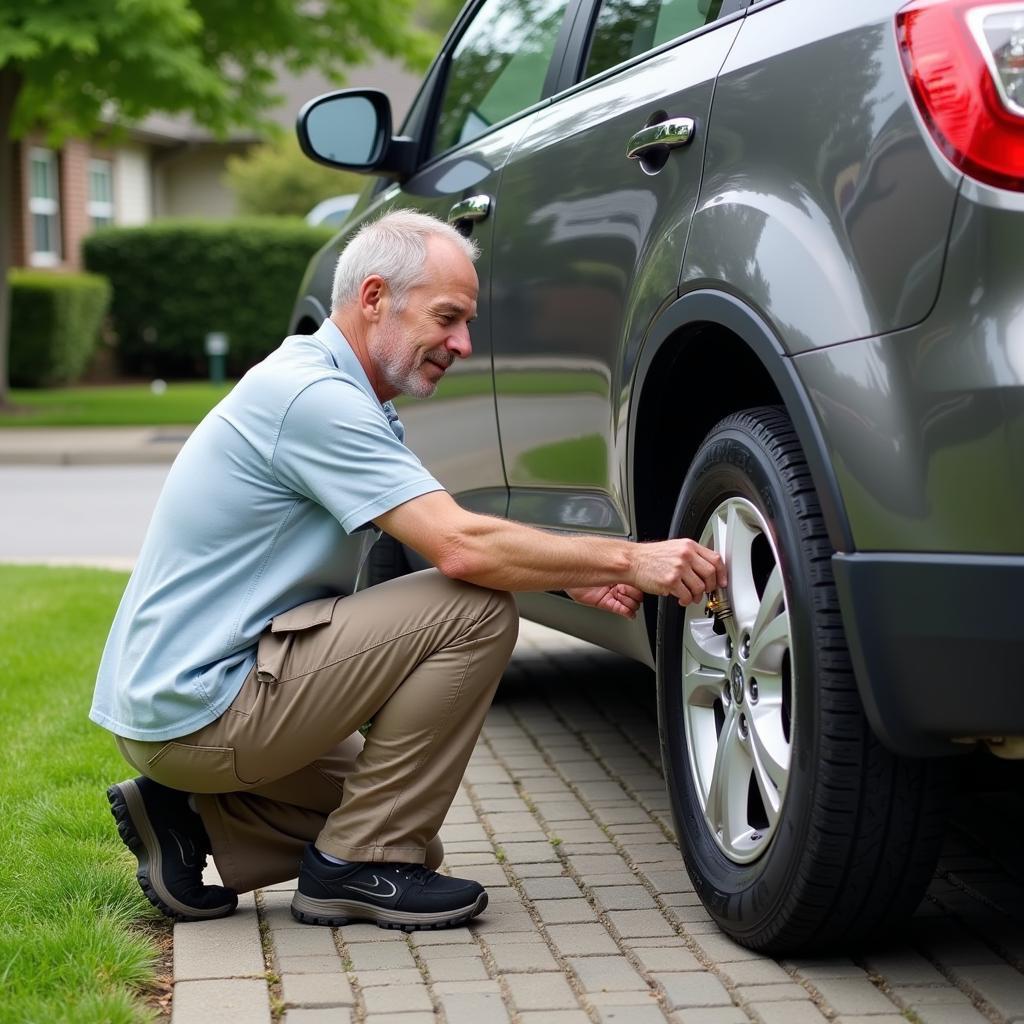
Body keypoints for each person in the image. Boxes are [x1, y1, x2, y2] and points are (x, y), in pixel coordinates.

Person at [92, 209, 726, 932]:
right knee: (477, 612)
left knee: (404, 832)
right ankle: (345, 872)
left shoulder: (331, 389)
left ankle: (187, 819)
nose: (462, 343)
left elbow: (434, 527)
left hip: (177, 705)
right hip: (203, 705)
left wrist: (564, 576)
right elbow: (460, 548)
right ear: (373, 299)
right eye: (448, 317)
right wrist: (632, 559)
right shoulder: (315, 402)